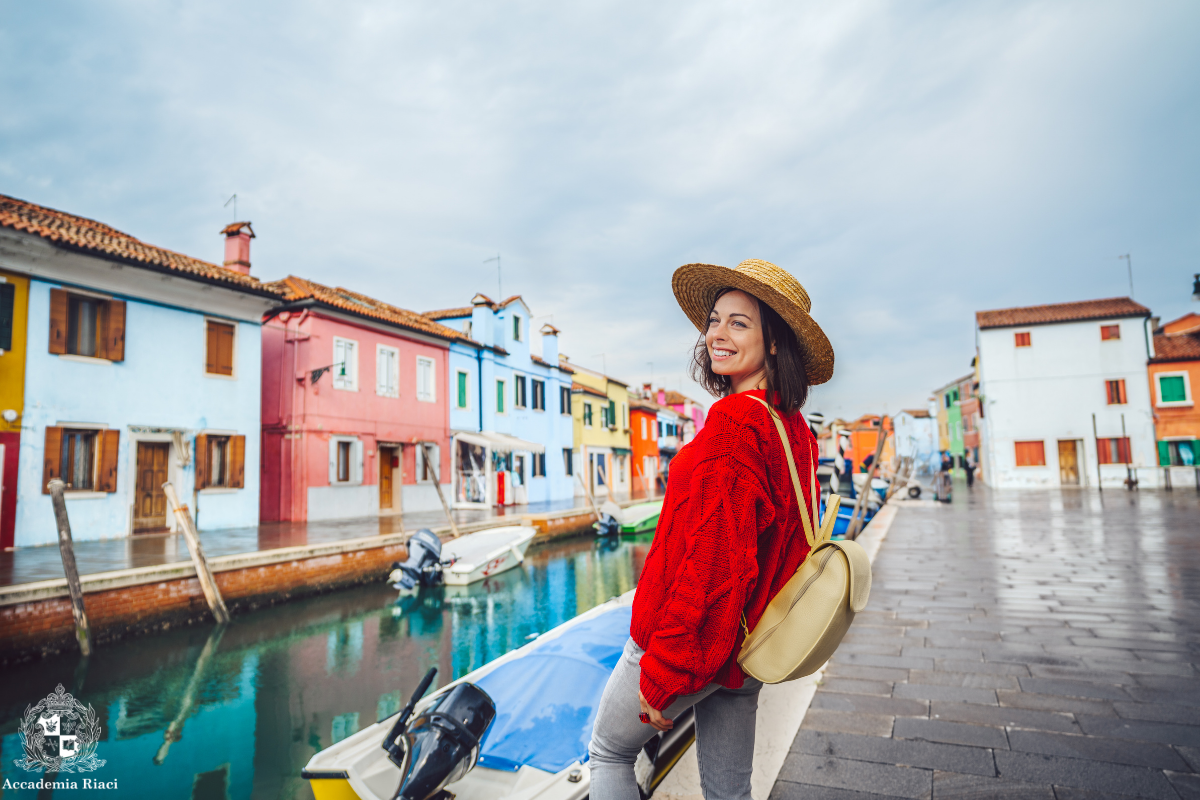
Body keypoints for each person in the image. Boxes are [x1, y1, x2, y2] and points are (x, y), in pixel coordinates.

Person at [588, 260, 834, 800]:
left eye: (739, 324)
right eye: (715, 321)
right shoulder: (790, 426)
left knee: (609, 754)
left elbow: (715, 562)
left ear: (774, 342)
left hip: (694, 642)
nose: (716, 335)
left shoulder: (733, 424)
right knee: (730, 792)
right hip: (744, 649)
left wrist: (665, 672)